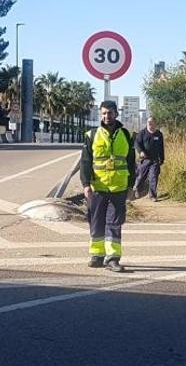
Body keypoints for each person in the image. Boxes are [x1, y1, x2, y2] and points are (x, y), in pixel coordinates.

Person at [80, 100, 135, 272]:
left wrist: (131, 186)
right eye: (103, 113)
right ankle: (97, 255)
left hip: (119, 187)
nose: (106, 116)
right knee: (96, 221)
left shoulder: (126, 135)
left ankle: (113, 258)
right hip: (98, 187)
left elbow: (131, 162)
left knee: (114, 222)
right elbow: (86, 161)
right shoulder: (91, 135)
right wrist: (86, 183)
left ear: (116, 114)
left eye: (109, 113)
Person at [133, 116, 165, 201]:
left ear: (155, 123)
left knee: (153, 177)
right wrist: (141, 152)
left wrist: (162, 159)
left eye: (151, 122)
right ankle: (136, 189)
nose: (150, 124)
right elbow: (137, 143)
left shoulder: (159, 134)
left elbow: (161, 147)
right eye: (148, 122)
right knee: (141, 177)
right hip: (145, 160)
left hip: (154, 160)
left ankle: (153, 195)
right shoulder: (142, 133)